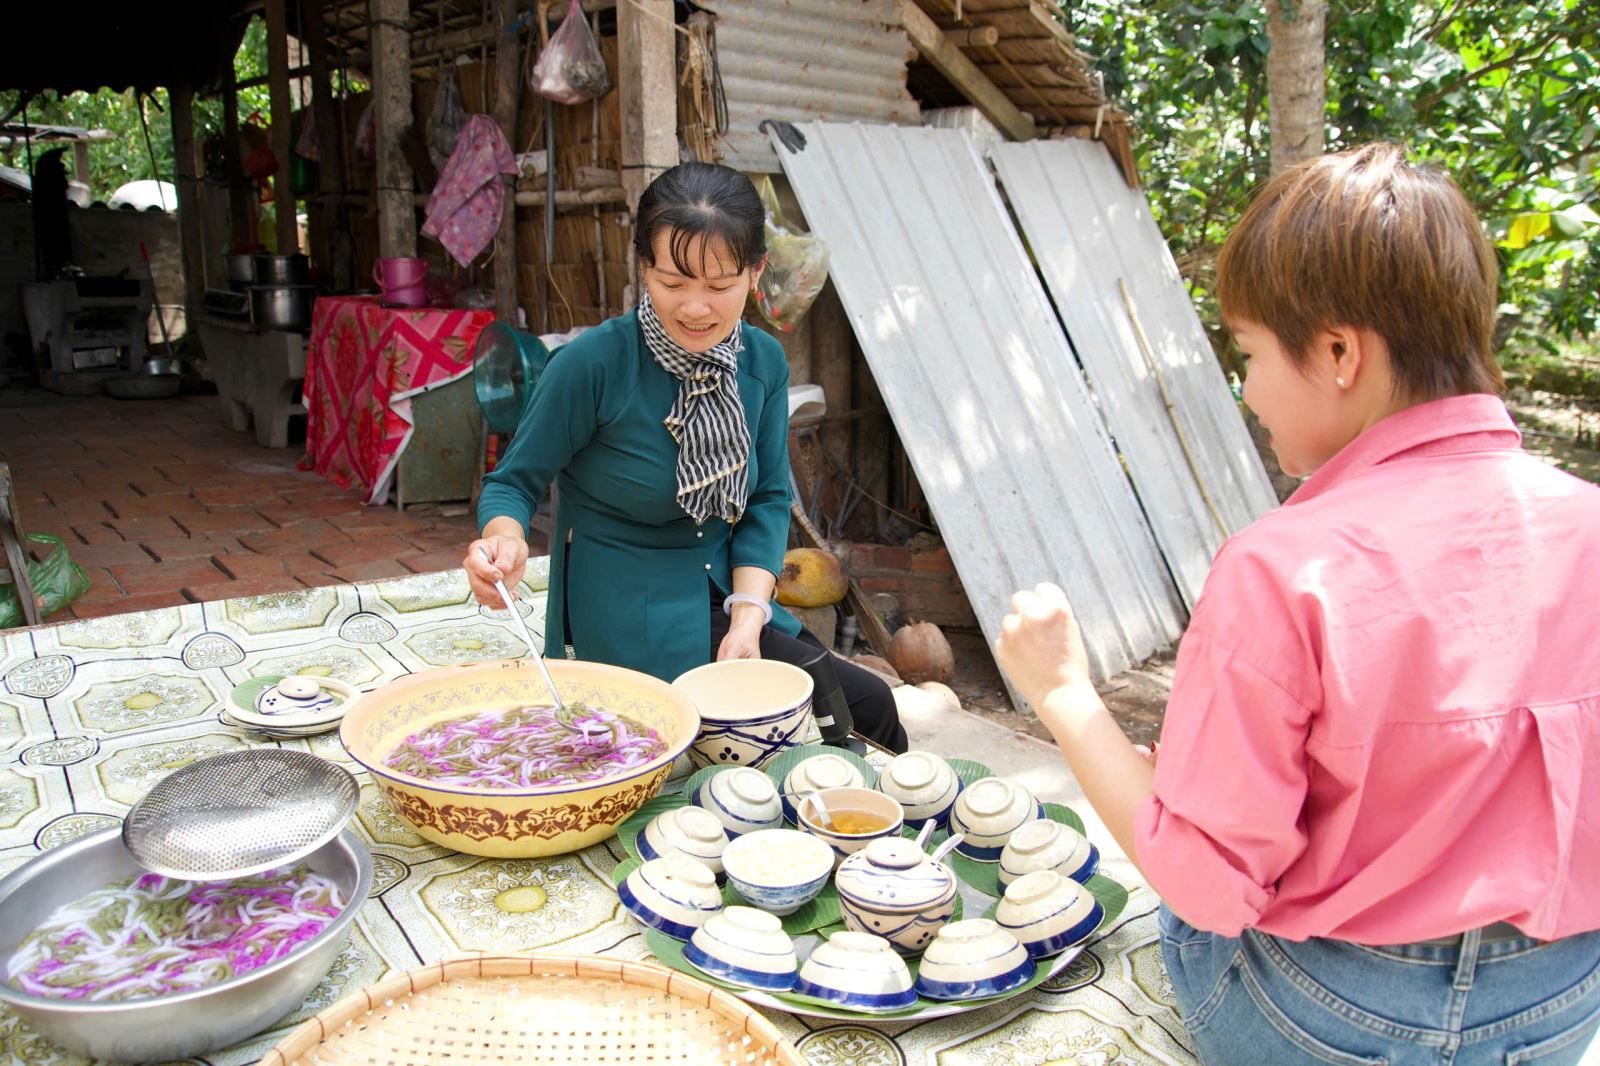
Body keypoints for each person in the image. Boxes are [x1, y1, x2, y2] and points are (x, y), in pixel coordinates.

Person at [993, 143, 1600, 1064]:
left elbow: (1206, 888)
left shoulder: (1283, 565)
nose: (1246, 386)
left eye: (1249, 352)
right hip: (1562, 998)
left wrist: (1065, 693)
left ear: (1338, 352)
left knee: (1187, 896)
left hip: (1334, 1020)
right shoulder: (1587, 521)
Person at [465, 161, 907, 753]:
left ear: (755, 274)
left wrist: (751, 614)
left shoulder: (762, 364)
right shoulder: (593, 365)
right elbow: (511, 485)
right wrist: (505, 539)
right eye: (673, 282)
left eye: (720, 285)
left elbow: (767, 500)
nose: (696, 308)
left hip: (727, 592)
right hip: (623, 607)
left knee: (868, 706)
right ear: (644, 268)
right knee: (698, 750)